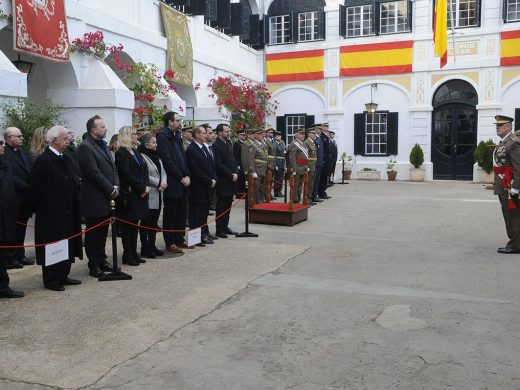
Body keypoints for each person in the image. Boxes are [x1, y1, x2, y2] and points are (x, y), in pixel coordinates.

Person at [29, 126, 83, 291]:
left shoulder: (66, 157)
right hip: (51, 213)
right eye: (65, 138)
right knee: (53, 245)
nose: (68, 141)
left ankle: (63, 274)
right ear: (55, 140)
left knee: (67, 243)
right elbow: (35, 189)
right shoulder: (44, 160)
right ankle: (51, 279)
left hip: (68, 209)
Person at [76, 115, 120, 277]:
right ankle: (93, 264)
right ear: (93, 129)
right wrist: (111, 189)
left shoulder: (104, 145)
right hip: (94, 197)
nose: (106, 128)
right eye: (102, 126)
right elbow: (94, 173)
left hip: (107, 196)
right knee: (93, 233)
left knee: (103, 232)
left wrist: (116, 186)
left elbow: (113, 169)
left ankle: (102, 259)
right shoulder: (85, 147)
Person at [114, 127, 150, 266]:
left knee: (136, 225)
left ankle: (134, 252)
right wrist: (141, 187)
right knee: (128, 226)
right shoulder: (121, 154)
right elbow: (126, 174)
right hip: (130, 194)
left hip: (141, 193)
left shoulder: (136, 152)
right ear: (127, 136)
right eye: (134, 134)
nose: (136, 136)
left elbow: (144, 170)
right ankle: (127, 254)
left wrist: (146, 186)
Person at [156, 111, 191, 253]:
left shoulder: (177, 136)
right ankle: (170, 242)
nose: (180, 123)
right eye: (177, 120)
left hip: (183, 180)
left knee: (181, 213)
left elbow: (183, 157)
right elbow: (167, 160)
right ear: (170, 122)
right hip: (173, 180)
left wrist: (187, 175)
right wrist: (180, 177)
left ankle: (179, 238)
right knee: (171, 213)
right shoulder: (163, 137)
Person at [2, 127, 34, 269]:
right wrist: (25, 186)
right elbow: (10, 176)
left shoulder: (23, 152)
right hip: (13, 197)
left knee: (22, 228)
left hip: (25, 198)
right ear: (9, 138)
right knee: (12, 229)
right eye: (19, 136)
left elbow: (30, 170)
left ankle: (20, 254)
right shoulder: (4, 154)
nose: (22, 138)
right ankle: (11, 256)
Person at [0, 134, 24, 298]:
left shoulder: (5, 163)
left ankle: (3, 286)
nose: (2, 145)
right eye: (0, 143)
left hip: (6, 215)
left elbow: (13, 184)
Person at [493, 115, 520, 254]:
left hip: (510, 186)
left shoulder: (513, 142)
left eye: (501, 125)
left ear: (509, 126)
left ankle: (515, 245)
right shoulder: (505, 141)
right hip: (504, 184)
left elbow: (518, 166)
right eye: (497, 125)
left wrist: (516, 187)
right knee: (509, 214)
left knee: (512, 215)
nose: (497, 127)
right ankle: (515, 242)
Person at [186, 126, 216, 246]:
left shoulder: (204, 147)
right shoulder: (192, 149)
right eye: (203, 133)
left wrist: (214, 179)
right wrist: (208, 181)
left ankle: (203, 234)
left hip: (207, 186)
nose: (206, 135)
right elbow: (195, 170)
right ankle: (196, 238)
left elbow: (211, 165)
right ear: (197, 135)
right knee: (196, 214)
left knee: (203, 213)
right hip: (198, 187)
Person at [138, 133, 167, 258]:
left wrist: (164, 182)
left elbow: (163, 171)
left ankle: (152, 245)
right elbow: (144, 174)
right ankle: (145, 247)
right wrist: (158, 182)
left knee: (154, 222)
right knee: (146, 222)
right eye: (154, 142)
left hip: (159, 192)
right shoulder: (142, 156)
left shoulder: (157, 156)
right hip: (150, 193)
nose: (156, 144)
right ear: (146, 144)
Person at [212, 123, 239, 238]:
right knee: (221, 206)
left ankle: (225, 226)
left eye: (229, 131)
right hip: (223, 180)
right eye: (226, 131)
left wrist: (236, 172)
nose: (228, 133)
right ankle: (219, 229)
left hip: (231, 179)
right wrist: (230, 175)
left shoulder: (228, 143)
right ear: (219, 132)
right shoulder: (216, 145)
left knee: (228, 205)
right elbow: (219, 164)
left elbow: (233, 160)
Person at [288, 128, 309, 203]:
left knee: (300, 185)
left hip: (303, 167)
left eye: (304, 134)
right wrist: (294, 169)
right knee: (295, 185)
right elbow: (292, 157)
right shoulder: (294, 143)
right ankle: (294, 200)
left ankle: (298, 198)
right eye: (301, 134)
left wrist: (307, 165)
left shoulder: (303, 143)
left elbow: (305, 156)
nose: (303, 135)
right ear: (296, 135)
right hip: (297, 166)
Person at [318, 123, 332, 199]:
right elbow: (322, 150)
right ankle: (321, 192)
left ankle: (323, 191)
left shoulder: (326, 137)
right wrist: (323, 159)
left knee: (325, 176)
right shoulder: (322, 137)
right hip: (324, 160)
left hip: (328, 159)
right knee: (322, 177)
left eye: (328, 127)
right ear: (323, 128)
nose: (327, 129)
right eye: (326, 127)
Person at [304, 128, 318, 205]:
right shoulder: (306, 142)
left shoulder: (312, 142)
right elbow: (305, 155)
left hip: (313, 164)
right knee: (308, 182)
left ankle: (309, 198)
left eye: (315, 133)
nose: (314, 135)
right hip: (309, 164)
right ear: (309, 134)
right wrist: (307, 165)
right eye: (313, 133)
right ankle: (307, 199)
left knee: (312, 182)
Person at [312, 125, 324, 203]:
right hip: (315, 163)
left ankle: (315, 195)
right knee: (314, 180)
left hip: (319, 162)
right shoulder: (315, 139)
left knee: (317, 180)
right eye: (319, 129)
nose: (320, 130)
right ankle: (313, 196)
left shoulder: (319, 138)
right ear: (315, 129)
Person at [233, 130, 247, 196]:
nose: (244, 136)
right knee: (240, 178)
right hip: (239, 164)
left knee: (243, 178)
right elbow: (235, 155)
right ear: (239, 135)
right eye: (243, 135)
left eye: (244, 135)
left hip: (243, 163)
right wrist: (237, 165)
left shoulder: (244, 143)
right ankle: (239, 193)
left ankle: (243, 192)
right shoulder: (237, 143)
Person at [273, 131, 286, 198]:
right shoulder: (274, 144)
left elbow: (284, 152)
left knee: (281, 178)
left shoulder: (281, 143)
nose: (279, 137)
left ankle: (279, 191)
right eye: (278, 136)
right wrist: (275, 165)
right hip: (277, 162)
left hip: (282, 162)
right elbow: (274, 155)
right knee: (277, 178)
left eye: (280, 136)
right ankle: (276, 191)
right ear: (275, 137)